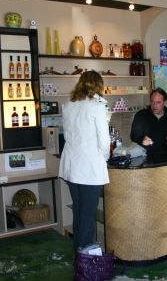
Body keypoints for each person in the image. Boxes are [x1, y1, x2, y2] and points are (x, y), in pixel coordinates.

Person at [58, 70, 110, 252]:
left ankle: (78, 253)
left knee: (79, 211)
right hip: (89, 168)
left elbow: (69, 135)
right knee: (88, 214)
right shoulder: (96, 106)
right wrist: (103, 158)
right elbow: (104, 142)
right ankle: (84, 259)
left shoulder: (69, 105)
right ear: (98, 85)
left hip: (72, 166)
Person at [130, 87, 167, 153]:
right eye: (152, 101)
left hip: (166, 156)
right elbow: (134, 135)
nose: (154, 105)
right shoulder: (141, 115)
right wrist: (142, 140)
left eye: (158, 102)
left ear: (165, 102)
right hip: (145, 155)